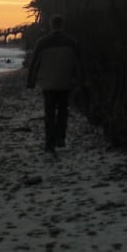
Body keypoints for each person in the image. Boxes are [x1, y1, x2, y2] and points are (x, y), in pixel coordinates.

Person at [27, 14, 82, 153]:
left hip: (48, 83)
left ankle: (49, 144)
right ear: (62, 25)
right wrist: (81, 80)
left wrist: (31, 81)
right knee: (63, 112)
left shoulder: (42, 42)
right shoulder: (72, 42)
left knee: (49, 114)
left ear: (51, 25)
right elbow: (79, 64)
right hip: (65, 82)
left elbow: (34, 64)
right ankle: (60, 138)